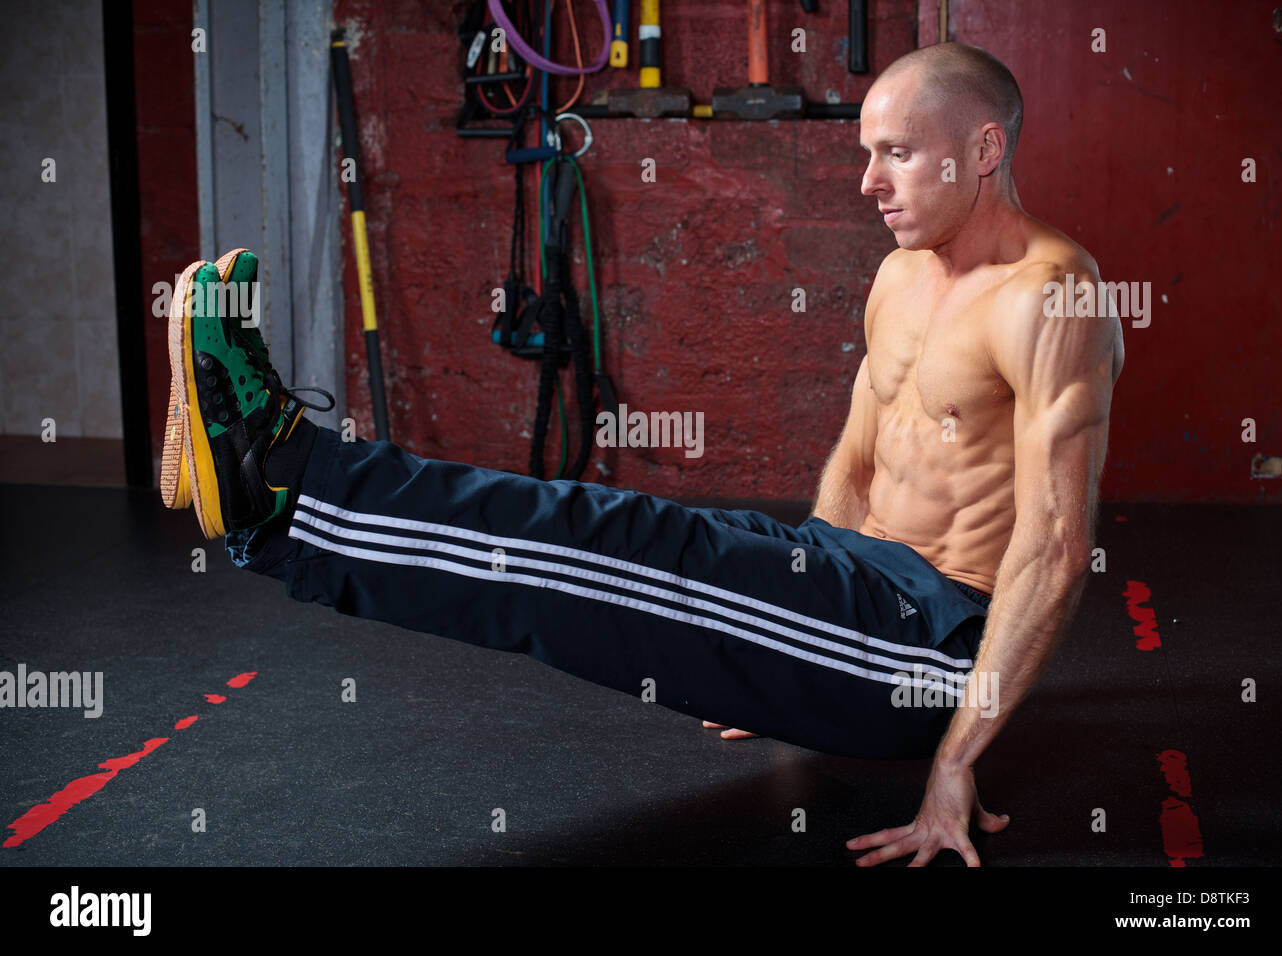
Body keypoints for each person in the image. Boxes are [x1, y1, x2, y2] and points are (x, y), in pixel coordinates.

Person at [159, 41, 1123, 867]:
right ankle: (280, 483)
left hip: (929, 645)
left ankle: (282, 485)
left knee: (599, 548)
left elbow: (1050, 545)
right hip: (851, 598)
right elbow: (859, 460)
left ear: (984, 150)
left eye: (899, 155)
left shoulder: (1050, 294)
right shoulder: (903, 271)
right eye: (867, 154)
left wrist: (953, 762)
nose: (867, 182)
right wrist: (780, 632)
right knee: (647, 533)